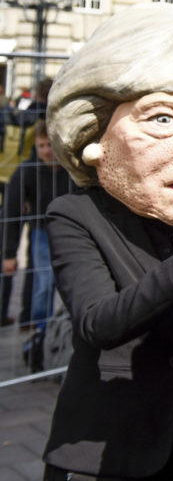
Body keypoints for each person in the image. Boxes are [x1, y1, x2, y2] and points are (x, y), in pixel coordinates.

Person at [42, 3, 173, 481]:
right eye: (161, 119)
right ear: (93, 135)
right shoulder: (76, 215)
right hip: (103, 453)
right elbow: (97, 322)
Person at [1, 120, 77, 370]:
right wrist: (9, 253)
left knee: (73, 284)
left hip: (74, 233)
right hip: (42, 233)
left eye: (50, 145)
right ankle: (41, 336)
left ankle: (69, 331)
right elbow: (11, 213)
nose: (47, 151)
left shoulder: (72, 170)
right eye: (41, 145)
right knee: (43, 285)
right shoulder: (26, 170)